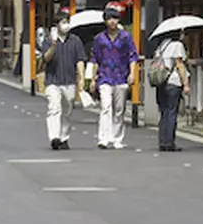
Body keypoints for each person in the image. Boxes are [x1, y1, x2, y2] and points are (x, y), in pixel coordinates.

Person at [88, 8, 139, 150]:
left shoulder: (125, 37)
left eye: (115, 18)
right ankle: (103, 138)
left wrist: (132, 73)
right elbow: (95, 59)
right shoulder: (99, 38)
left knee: (119, 108)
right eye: (109, 18)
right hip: (104, 76)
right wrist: (93, 79)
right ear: (105, 20)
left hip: (121, 76)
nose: (112, 21)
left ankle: (117, 138)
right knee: (105, 107)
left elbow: (133, 56)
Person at [40, 16, 87, 150]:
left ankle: (64, 137)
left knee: (67, 111)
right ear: (56, 25)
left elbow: (80, 60)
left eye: (67, 22)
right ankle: (54, 137)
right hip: (53, 81)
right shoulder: (48, 40)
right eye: (63, 22)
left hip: (69, 81)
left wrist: (81, 78)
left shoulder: (75, 41)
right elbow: (46, 58)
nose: (66, 25)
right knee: (54, 108)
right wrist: (54, 45)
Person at [155, 29, 191, 152]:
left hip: (161, 82)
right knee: (171, 112)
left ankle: (163, 141)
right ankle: (169, 142)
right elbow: (179, 65)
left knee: (164, 112)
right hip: (173, 82)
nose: (183, 35)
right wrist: (186, 84)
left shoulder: (163, 45)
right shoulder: (177, 45)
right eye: (182, 33)